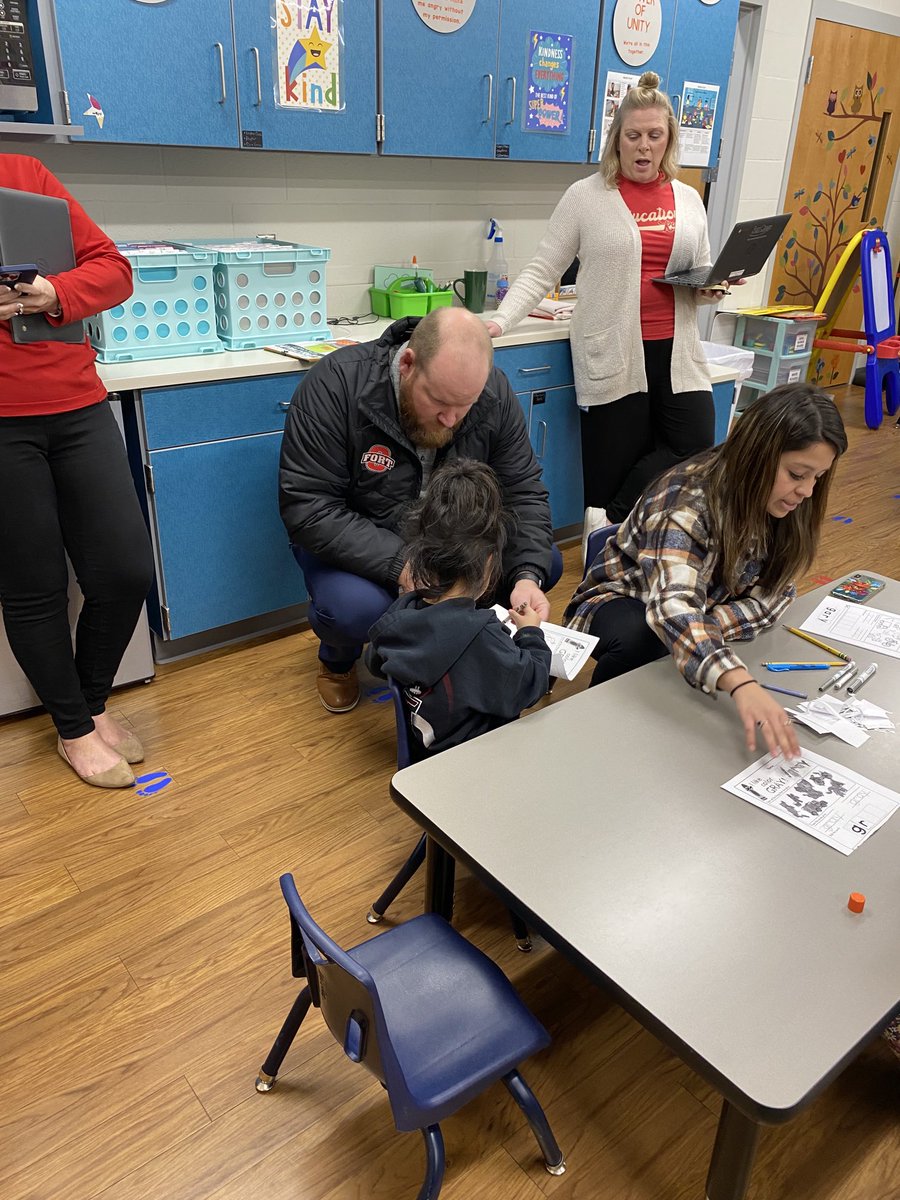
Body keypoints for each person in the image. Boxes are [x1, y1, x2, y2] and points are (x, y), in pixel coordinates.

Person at [485, 70, 730, 558]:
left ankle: (609, 524)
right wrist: (498, 322)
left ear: (669, 140)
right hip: (612, 352)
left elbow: (697, 272)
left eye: (654, 136)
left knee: (697, 445)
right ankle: (600, 570)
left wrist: (710, 290)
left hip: (676, 351)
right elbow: (540, 270)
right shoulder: (586, 196)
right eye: (633, 136)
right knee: (613, 465)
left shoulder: (688, 200)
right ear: (616, 140)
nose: (643, 147)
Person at [279, 306, 560, 714]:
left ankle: (463, 648)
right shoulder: (335, 384)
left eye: (465, 405)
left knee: (541, 561)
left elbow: (523, 492)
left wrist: (527, 575)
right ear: (408, 363)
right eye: (440, 401)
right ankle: (337, 661)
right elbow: (309, 507)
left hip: (449, 542)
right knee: (353, 610)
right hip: (365, 543)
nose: (451, 419)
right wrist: (402, 564)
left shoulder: (493, 392)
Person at [564, 383, 848, 762]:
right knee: (646, 636)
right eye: (798, 474)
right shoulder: (686, 501)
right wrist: (739, 681)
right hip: (623, 600)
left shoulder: (782, 502)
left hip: (700, 605)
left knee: (686, 652)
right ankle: (593, 732)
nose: (807, 492)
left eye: (817, 478)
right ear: (758, 455)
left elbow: (777, 592)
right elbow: (673, 609)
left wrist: (709, 626)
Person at [0, 155, 154, 789]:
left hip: (79, 405)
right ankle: (74, 730)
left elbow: (115, 271)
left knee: (125, 572)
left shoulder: (24, 175)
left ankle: (90, 705)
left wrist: (55, 293)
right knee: (34, 589)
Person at [366, 459, 550, 757]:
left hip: (423, 755)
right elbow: (529, 685)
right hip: (475, 762)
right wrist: (530, 634)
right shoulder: (482, 637)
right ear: (490, 561)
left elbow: (374, 661)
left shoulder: (402, 613)